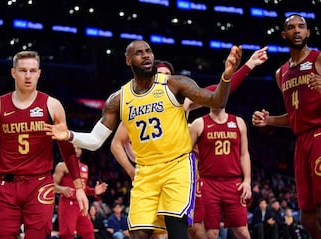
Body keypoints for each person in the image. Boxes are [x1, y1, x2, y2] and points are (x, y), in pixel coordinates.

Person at [45, 39, 242, 239]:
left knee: (175, 226)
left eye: (148, 51)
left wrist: (226, 76)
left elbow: (217, 100)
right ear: (128, 60)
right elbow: (96, 140)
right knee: (138, 234)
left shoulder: (174, 84)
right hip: (145, 172)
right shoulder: (119, 98)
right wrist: (69, 135)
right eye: (139, 53)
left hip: (177, 165)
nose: (146, 55)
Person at [111, 47, 269, 180]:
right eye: (160, 74)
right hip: (151, 171)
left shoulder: (184, 100)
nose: (164, 77)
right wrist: (133, 166)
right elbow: (119, 143)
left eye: (168, 74)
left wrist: (250, 64)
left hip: (180, 169)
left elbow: (221, 91)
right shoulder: (136, 106)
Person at [0, 50, 88, 239]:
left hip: (40, 185)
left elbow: (67, 148)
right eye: (22, 71)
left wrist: (79, 188)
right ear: (13, 73)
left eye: (32, 71)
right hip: (6, 184)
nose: (28, 76)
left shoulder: (52, 105)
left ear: (39, 73)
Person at [251, 14, 321, 239]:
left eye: (301, 27)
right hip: (302, 141)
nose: (297, 30)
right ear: (284, 35)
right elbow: (296, 116)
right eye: (291, 27)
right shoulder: (281, 74)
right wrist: (269, 121)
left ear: (308, 33)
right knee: (308, 218)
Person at [189, 107, 252, 239]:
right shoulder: (199, 123)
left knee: (243, 232)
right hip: (208, 183)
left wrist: (247, 181)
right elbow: (185, 152)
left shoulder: (238, 122)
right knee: (211, 234)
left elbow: (244, 154)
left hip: (233, 183)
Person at [54, 144, 108, 239]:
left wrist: (94, 191)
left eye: (78, 148)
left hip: (81, 205)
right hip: (68, 203)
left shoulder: (85, 167)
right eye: (74, 148)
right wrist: (62, 189)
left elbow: (83, 189)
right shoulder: (62, 166)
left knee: (88, 232)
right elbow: (52, 185)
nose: (76, 150)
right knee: (67, 234)